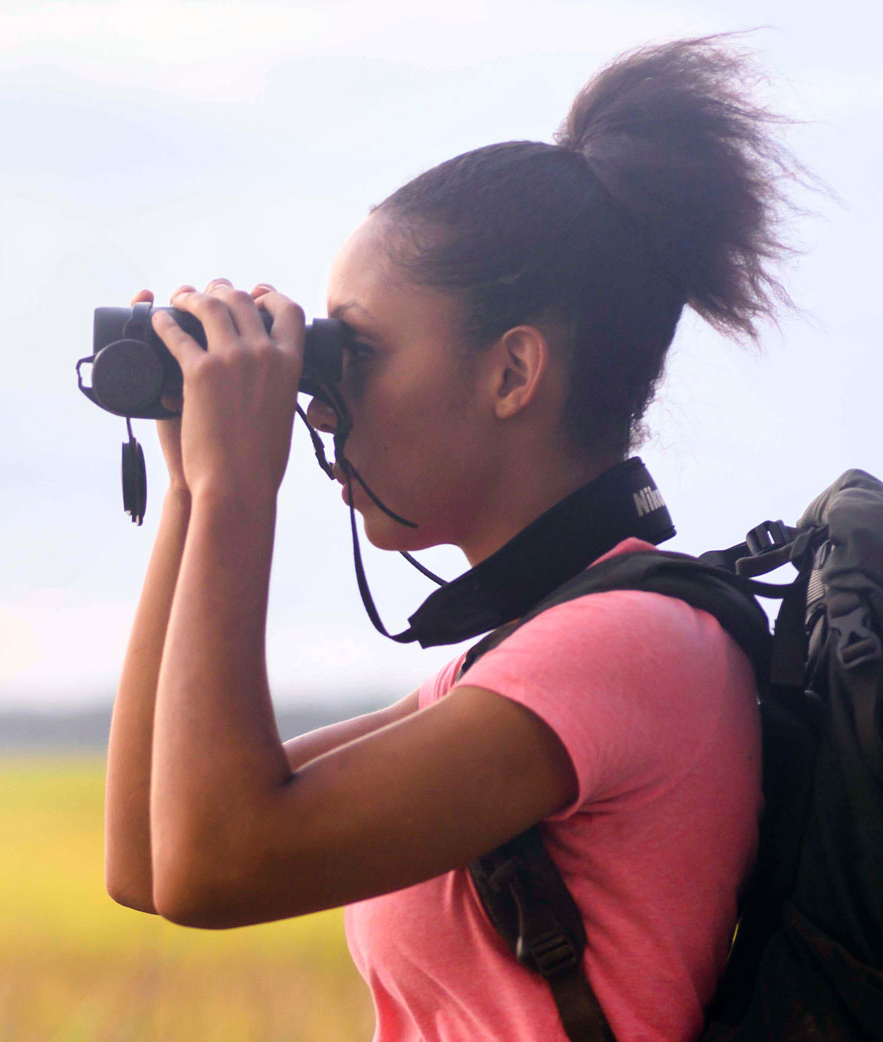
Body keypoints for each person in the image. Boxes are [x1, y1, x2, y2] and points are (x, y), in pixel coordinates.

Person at [100, 35, 805, 1042]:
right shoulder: (535, 652)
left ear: (514, 373)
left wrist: (236, 493)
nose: (327, 400)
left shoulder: (623, 648)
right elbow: (149, 859)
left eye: (360, 351)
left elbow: (218, 862)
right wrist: (185, 492)